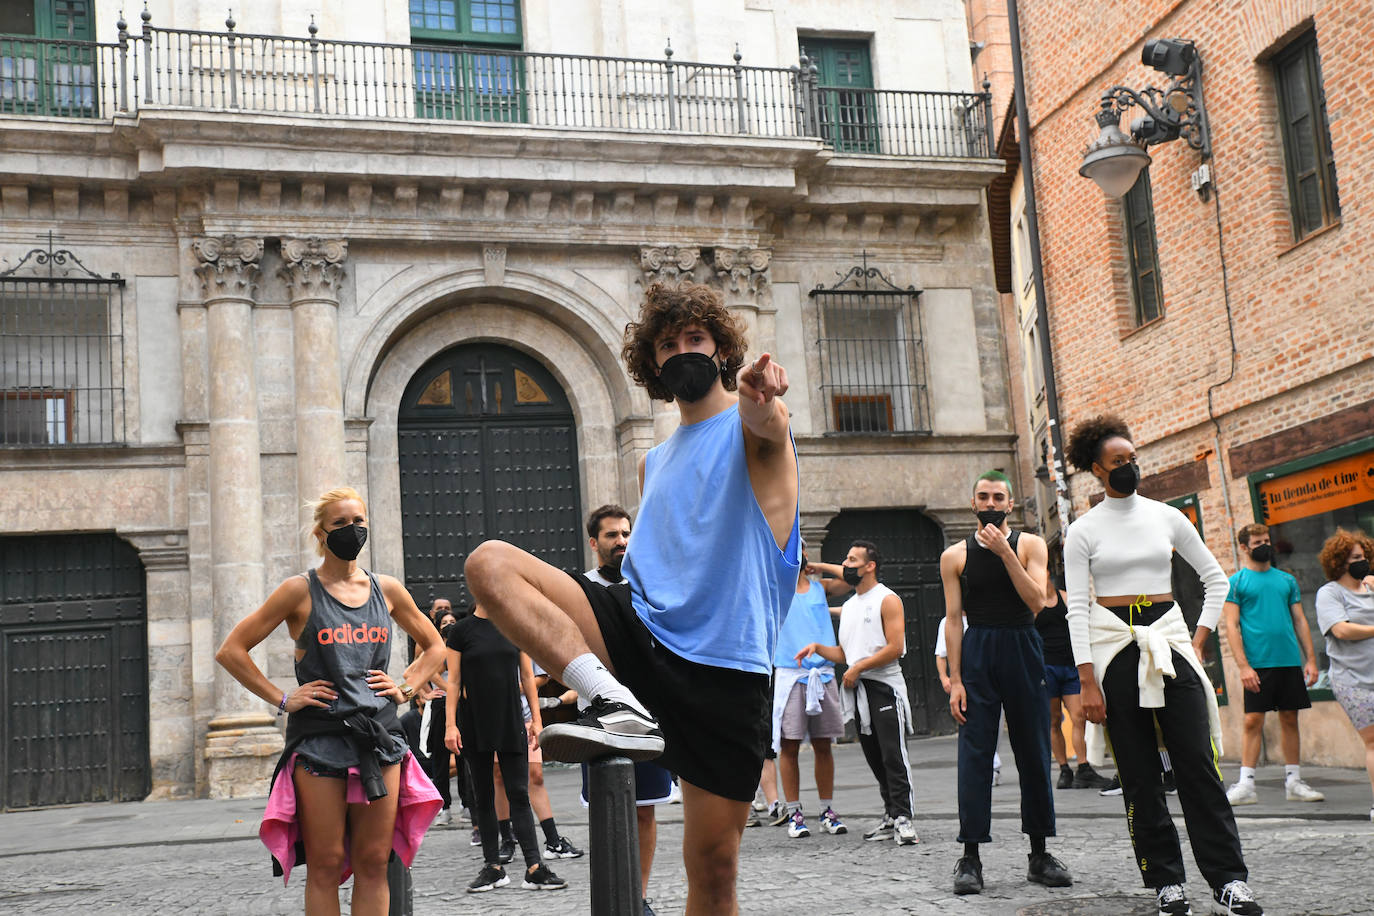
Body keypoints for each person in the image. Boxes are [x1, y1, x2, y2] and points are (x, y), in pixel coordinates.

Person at [462, 281, 800, 915]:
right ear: (653, 364)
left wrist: (760, 398)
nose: (681, 352)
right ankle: (613, 701)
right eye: (667, 345)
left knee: (713, 867)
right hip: (641, 637)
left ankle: (623, 708)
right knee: (491, 564)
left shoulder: (755, 429)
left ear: (721, 348)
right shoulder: (653, 463)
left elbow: (766, 425)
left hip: (726, 670)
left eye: (695, 339)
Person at [214, 486, 445, 916]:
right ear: (321, 534)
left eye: (358, 521)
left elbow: (434, 646)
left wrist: (406, 688)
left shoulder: (386, 589)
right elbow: (232, 650)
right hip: (320, 740)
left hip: (380, 739)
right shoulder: (299, 590)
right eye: (340, 523)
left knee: (374, 862)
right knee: (325, 863)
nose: (351, 530)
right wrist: (283, 698)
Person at [1065, 416, 1262, 916]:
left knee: (1197, 764)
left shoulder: (1167, 516)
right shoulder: (1082, 531)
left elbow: (1217, 581)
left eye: (1133, 459)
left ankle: (1229, 881)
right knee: (1138, 774)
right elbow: (1077, 609)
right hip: (1114, 645)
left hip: (1169, 640)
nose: (1130, 468)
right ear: (1096, 469)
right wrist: (1087, 681)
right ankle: (1166, 884)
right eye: (1118, 462)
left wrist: (1196, 641)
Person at [941, 470, 1071, 895]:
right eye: (984, 496)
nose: (991, 504)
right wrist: (955, 679)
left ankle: (1039, 854)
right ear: (972, 503)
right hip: (978, 650)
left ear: (1010, 504)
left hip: (1022, 645)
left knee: (1033, 750)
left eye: (999, 497)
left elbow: (1037, 601)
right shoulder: (955, 555)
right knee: (974, 754)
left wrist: (1005, 553)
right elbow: (954, 621)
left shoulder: (1030, 544)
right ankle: (971, 858)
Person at [582, 503, 674, 916]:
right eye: (611, 535)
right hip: (600, 715)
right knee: (606, 809)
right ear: (594, 542)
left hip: (648, 713)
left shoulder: (650, 585)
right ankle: (613, 894)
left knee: (645, 811)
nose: (621, 542)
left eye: (625, 534)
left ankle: (637, 897)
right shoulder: (581, 590)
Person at [798, 541, 918, 846]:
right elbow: (846, 653)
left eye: (852, 560)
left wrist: (858, 668)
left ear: (870, 566)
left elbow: (895, 647)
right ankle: (890, 815)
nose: (847, 564)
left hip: (885, 688)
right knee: (875, 756)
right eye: (845, 560)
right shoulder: (850, 606)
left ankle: (904, 818)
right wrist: (818, 649)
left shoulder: (887, 599)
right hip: (859, 690)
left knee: (893, 755)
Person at [443, 604, 566, 893]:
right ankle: (493, 867)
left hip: (511, 718)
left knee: (519, 792)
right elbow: (454, 680)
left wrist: (536, 719)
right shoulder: (461, 631)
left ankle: (534, 867)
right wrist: (450, 725)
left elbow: (527, 676)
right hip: (473, 720)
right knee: (483, 794)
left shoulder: (515, 624)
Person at [1222, 523, 1325, 805]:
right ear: (1244, 547)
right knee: (1253, 720)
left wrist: (1312, 660)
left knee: (1290, 718)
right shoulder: (1236, 583)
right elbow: (1231, 626)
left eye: (1266, 540)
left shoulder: (1286, 581)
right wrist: (1243, 666)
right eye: (1257, 542)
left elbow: (1300, 620)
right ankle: (1245, 785)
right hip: (1257, 663)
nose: (1264, 545)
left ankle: (1294, 781)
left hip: (1288, 660)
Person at [770, 545, 847, 839]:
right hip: (791, 674)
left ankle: (827, 810)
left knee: (823, 743)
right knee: (789, 745)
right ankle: (794, 812)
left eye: (798, 549)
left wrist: (820, 565)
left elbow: (851, 578)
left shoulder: (819, 587)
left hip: (823, 674)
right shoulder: (776, 589)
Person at [1314, 529, 1374, 823]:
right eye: (1354, 558)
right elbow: (1341, 629)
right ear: (1339, 562)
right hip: (1354, 681)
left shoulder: (1371, 587)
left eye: (1362, 557)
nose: (1360, 562)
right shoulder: (1330, 593)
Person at [1038, 575, 1114, 790]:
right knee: (1053, 721)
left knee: (1079, 716)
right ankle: (1064, 769)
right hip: (1046, 669)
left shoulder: (1065, 598)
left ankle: (1083, 768)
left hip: (1070, 666)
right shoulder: (1032, 603)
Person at [934, 616, 1002, 785]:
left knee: (996, 721)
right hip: (964, 682)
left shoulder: (982, 618)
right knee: (970, 722)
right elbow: (941, 654)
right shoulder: (948, 621)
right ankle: (982, 767)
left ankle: (993, 762)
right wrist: (945, 678)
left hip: (989, 677)